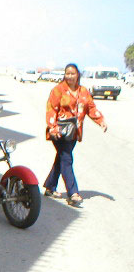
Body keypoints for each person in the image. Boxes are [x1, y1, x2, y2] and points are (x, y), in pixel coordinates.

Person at [44, 63, 107, 207]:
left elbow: (90, 108)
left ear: (78, 74)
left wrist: (101, 120)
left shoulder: (83, 91)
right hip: (59, 132)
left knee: (61, 158)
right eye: (67, 73)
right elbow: (51, 109)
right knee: (66, 159)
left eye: (73, 73)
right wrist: (53, 127)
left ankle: (50, 187)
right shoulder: (58, 90)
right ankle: (73, 193)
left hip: (73, 133)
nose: (70, 76)